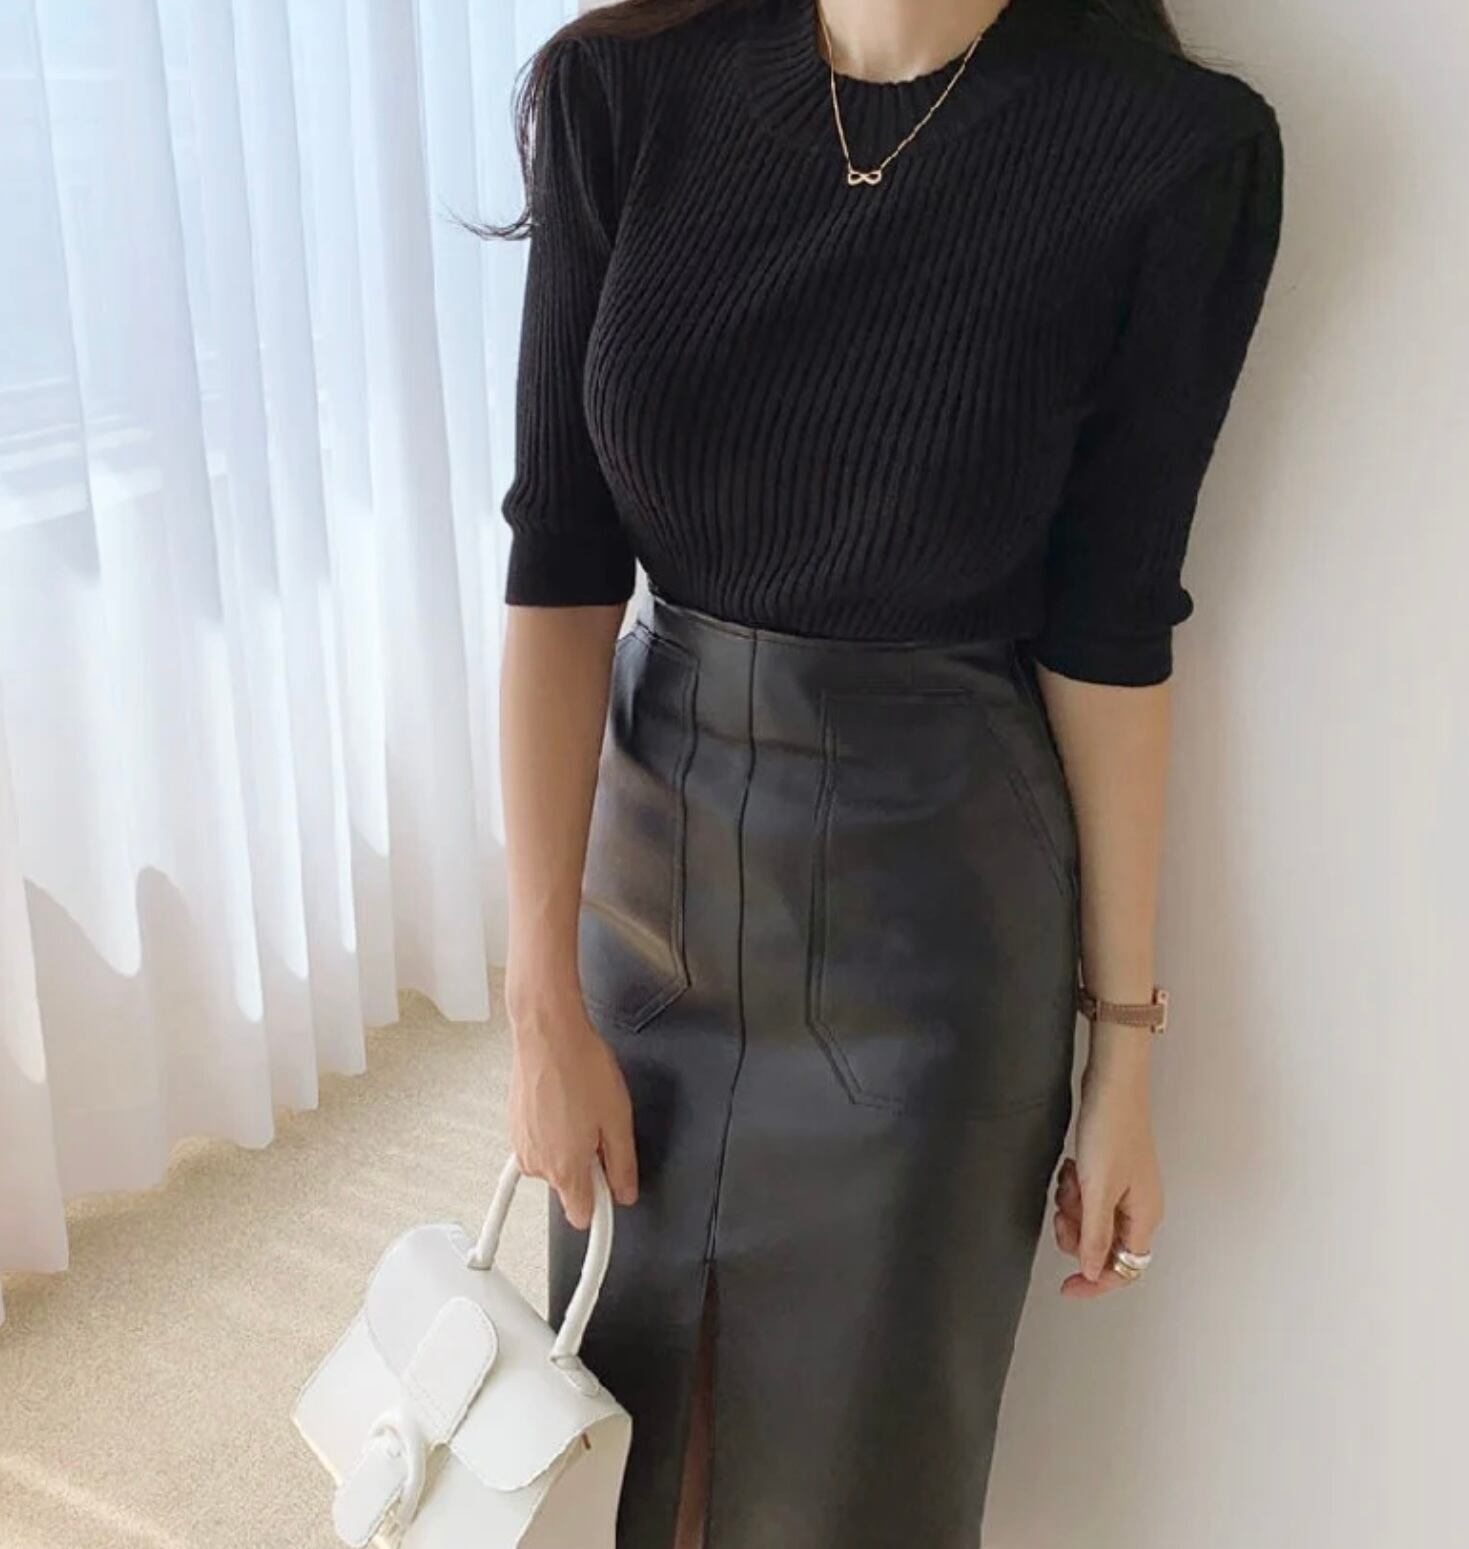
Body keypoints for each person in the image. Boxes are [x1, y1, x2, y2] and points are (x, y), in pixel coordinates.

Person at [487, 1, 1283, 1544]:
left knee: (854, 1497)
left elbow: (1110, 630)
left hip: (929, 948)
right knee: (614, 1468)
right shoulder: (620, 93)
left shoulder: (1169, 152)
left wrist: (1122, 1051)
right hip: (644, 913)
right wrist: (536, 997)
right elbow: (559, 566)